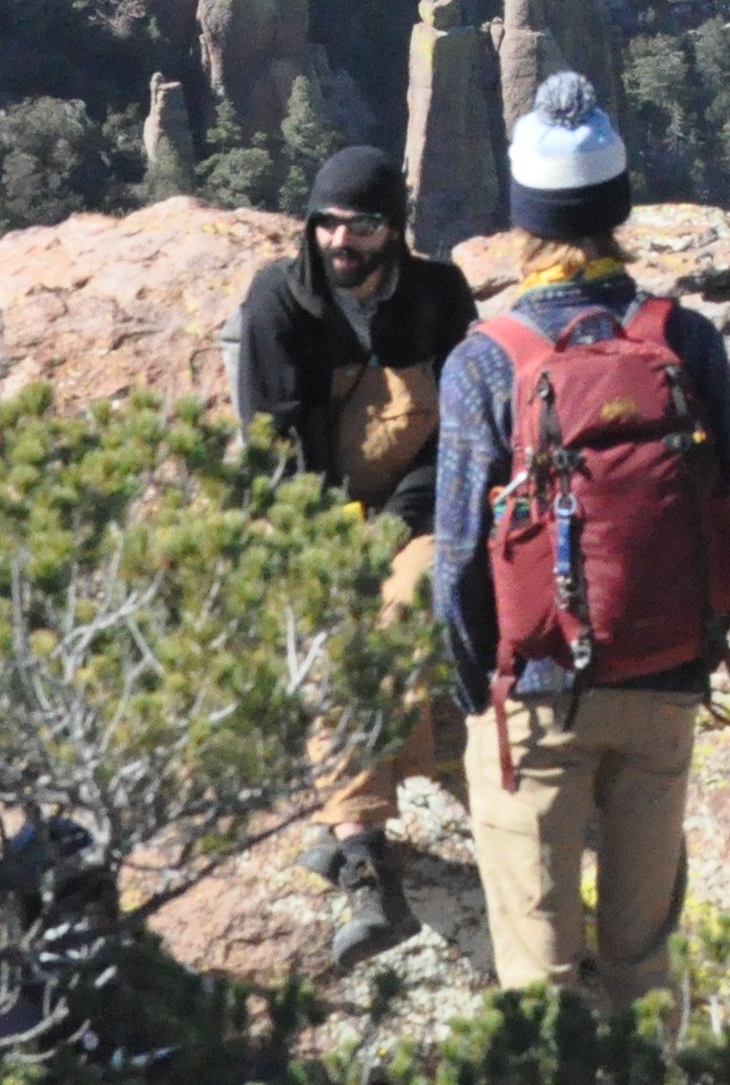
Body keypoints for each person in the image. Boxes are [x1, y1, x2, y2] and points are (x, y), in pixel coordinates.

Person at [433, 75, 730, 1016]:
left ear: (523, 216)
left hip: (532, 698)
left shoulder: (488, 356)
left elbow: (456, 558)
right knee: (644, 970)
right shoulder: (684, 339)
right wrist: (697, 648)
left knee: (539, 985)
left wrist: (478, 698)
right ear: (617, 211)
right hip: (662, 684)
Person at [230, 143, 481, 961]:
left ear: (394, 229)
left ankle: (353, 829)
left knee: (408, 608)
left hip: (417, 508)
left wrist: (396, 524)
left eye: (363, 226)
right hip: (313, 511)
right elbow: (277, 445)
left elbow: (463, 432)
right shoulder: (279, 301)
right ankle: (366, 847)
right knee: (336, 623)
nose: (343, 241)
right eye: (329, 224)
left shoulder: (441, 295)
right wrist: (337, 537)